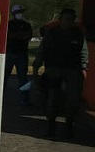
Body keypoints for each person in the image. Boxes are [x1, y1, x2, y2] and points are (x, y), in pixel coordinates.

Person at [32, 8, 88, 139]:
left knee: (72, 100)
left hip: (73, 70)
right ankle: (51, 128)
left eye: (70, 20)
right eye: (65, 19)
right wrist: (36, 67)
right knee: (52, 100)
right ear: (60, 20)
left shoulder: (78, 34)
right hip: (53, 70)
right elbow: (42, 51)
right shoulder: (51, 34)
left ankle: (69, 127)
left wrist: (84, 68)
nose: (67, 22)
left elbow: (83, 51)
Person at [4, 4, 33, 105]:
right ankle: (1, 98)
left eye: (21, 12)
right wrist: (20, 35)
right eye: (17, 12)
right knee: (4, 76)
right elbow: (8, 36)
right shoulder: (9, 24)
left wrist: (16, 36)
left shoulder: (26, 25)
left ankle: (25, 99)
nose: (19, 14)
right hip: (9, 53)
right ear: (13, 13)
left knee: (23, 78)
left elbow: (28, 36)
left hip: (22, 54)